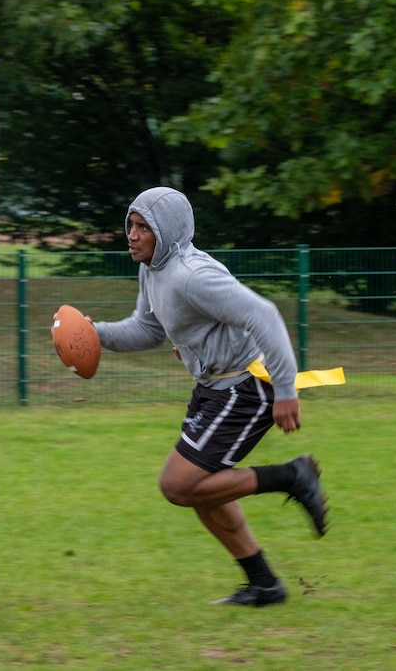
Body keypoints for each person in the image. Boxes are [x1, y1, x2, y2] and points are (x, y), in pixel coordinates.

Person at [89, 186, 329, 607]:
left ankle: (292, 476)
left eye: (143, 227)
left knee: (179, 486)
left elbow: (264, 314)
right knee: (204, 488)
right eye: (131, 224)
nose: (132, 234)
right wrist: (96, 335)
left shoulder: (191, 275)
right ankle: (265, 585)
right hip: (214, 388)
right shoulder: (153, 268)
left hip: (247, 388)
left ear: (167, 232)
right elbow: (148, 330)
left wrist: (287, 390)